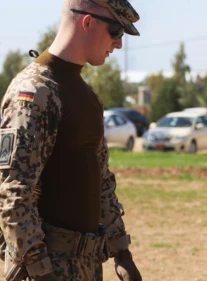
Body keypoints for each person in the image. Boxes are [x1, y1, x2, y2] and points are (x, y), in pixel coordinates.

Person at [0, 0, 142, 280]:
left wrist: (121, 251)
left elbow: (101, 180)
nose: (119, 44)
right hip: (46, 265)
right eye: (115, 31)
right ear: (87, 22)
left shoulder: (88, 97)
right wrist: (41, 271)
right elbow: (13, 191)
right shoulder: (34, 92)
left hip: (86, 264)